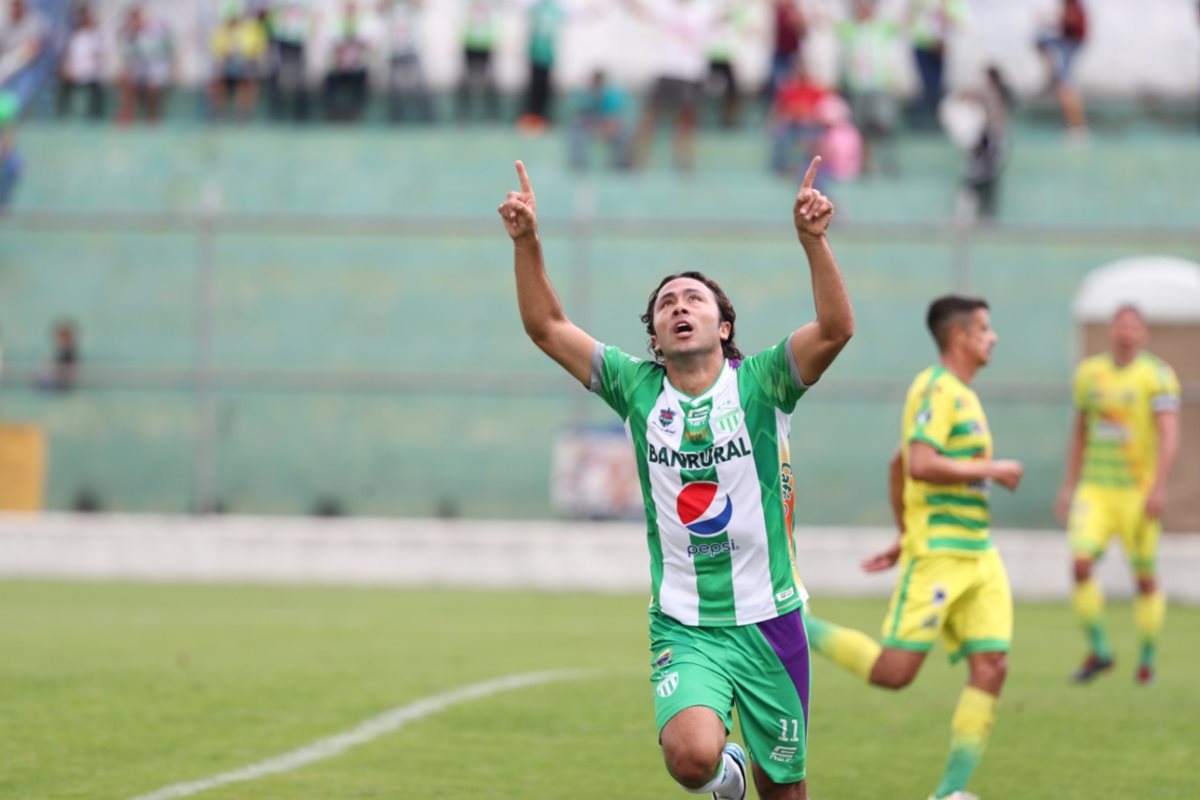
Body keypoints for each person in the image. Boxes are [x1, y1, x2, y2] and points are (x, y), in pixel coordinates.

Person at [499, 155, 853, 800]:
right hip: (684, 622)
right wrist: (528, 244)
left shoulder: (764, 382)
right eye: (666, 304)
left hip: (771, 619)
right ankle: (724, 774)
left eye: (694, 298)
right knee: (690, 758)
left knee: (788, 793)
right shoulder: (637, 389)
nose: (678, 307)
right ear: (657, 339)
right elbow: (546, 327)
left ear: (723, 326)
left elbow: (836, 329)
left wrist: (815, 242)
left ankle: (750, 778)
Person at [805, 295, 1024, 800]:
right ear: (960, 337)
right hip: (941, 557)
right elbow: (919, 463)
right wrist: (990, 470)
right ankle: (796, 625)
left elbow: (898, 463)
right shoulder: (934, 388)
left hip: (979, 556)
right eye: (985, 329)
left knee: (992, 666)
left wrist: (903, 532)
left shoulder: (965, 395)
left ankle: (949, 792)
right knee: (894, 673)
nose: (993, 337)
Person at [1055, 305, 1181, 686]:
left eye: (1133, 326)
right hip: (1096, 489)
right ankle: (1100, 651)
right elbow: (1080, 431)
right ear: (1112, 331)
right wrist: (1068, 485)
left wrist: (1158, 487)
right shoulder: (1090, 375)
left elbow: (1169, 434)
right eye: (1120, 325)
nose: (1126, 332)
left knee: (1144, 579)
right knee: (1079, 565)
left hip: (1135, 494)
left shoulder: (1157, 376)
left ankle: (1146, 658)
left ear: (1144, 333)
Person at [1036, 0, 1088, 138]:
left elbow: (1070, 21)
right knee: (1039, 41)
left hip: (1070, 42)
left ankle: (1077, 127)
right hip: (1068, 40)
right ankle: (1052, 77)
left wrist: (1048, 21)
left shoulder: (1071, 4)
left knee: (1066, 86)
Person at [116, 5, 176, 125]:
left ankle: (153, 118)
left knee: (152, 86)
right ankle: (127, 115)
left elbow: (169, 49)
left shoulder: (157, 30)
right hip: (140, 70)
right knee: (125, 80)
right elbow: (128, 58)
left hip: (156, 69)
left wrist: (173, 67)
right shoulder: (130, 35)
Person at [567, 69, 632, 171]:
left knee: (624, 134)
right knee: (576, 131)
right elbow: (582, 117)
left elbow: (614, 120)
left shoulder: (612, 96)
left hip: (607, 127)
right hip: (590, 127)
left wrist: (608, 128)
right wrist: (596, 128)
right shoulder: (585, 95)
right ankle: (578, 167)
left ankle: (621, 167)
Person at [380, 0, 433, 123]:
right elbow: (379, 8)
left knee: (419, 84)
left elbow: (423, 6)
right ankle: (396, 118)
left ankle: (428, 117)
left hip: (411, 48)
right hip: (394, 49)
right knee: (394, 86)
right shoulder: (391, 8)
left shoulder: (411, 7)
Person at [266, 0, 316, 121]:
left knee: (303, 82)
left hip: (298, 52)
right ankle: (276, 112)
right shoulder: (278, 13)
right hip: (282, 52)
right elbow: (274, 31)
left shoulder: (304, 16)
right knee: (274, 78)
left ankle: (301, 115)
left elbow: (306, 32)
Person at [57, 3, 106, 120]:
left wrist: (85, 71)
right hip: (75, 72)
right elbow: (69, 57)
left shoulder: (96, 35)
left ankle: (95, 116)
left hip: (90, 73)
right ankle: (65, 114)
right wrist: (69, 70)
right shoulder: (75, 36)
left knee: (97, 86)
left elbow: (97, 58)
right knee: (63, 83)